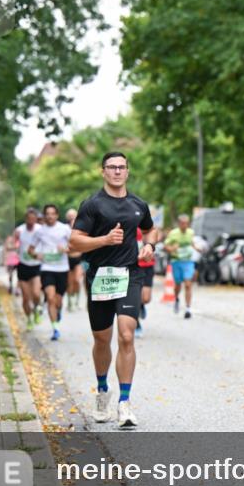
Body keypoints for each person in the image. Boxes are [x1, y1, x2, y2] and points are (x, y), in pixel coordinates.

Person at [69, 151, 154, 429]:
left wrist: (149, 245)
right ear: (103, 171)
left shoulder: (138, 204)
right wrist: (104, 240)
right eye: (112, 167)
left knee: (127, 336)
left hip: (130, 275)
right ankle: (103, 390)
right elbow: (74, 242)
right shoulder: (92, 205)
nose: (117, 171)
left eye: (121, 167)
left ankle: (125, 403)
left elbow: (150, 229)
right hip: (100, 277)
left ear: (128, 171)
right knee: (102, 339)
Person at [29, 204, 72, 341]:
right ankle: (55, 329)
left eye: (52, 214)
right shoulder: (40, 231)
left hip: (62, 269)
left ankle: (58, 311)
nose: (50, 216)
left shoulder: (64, 229)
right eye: (47, 214)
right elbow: (30, 250)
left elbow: (75, 245)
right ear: (44, 216)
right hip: (47, 268)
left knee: (58, 300)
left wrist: (65, 249)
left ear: (57, 215)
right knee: (50, 297)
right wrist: (36, 255)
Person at [13, 208, 44, 328]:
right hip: (23, 265)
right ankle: (29, 318)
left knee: (36, 293)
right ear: (25, 219)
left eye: (33, 219)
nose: (31, 221)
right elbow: (12, 244)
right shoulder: (19, 230)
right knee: (26, 297)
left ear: (36, 219)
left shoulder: (40, 229)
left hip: (36, 266)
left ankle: (36, 309)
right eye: (28, 219)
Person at [163, 214, 197, 318]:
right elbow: (165, 246)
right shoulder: (173, 233)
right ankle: (177, 298)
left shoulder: (191, 232)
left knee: (188, 284)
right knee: (178, 284)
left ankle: (188, 308)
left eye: (186, 223)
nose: (184, 225)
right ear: (179, 224)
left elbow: (192, 243)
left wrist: (197, 248)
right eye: (182, 223)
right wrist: (172, 248)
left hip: (188, 261)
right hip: (176, 261)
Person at [135, 225, 160, 336]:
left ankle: (141, 305)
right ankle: (136, 324)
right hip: (133, 266)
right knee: (134, 297)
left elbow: (155, 236)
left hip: (147, 266)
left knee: (146, 298)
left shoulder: (147, 225)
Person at [65, 208, 84, 311]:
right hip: (67, 259)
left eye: (73, 216)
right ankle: (69, 302)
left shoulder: (82, 228)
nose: (72, 219)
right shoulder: (64, 229)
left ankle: (77, 301)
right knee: (69, 282)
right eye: (70, 217)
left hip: (78, 259)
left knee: (77, 280)